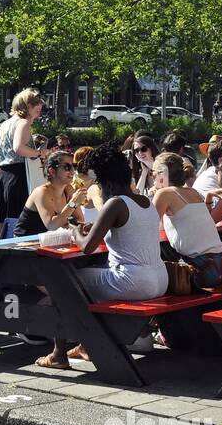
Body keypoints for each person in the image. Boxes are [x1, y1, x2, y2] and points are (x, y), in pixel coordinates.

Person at [34, 142, 168, 370]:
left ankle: (59, 354)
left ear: (105, 181)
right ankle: (87, 345)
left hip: (132, 281)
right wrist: (95, 227)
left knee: (60, 282)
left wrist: (75, 231)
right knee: (89, 280)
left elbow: (86, 247)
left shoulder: (115, 203)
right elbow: (127, 230)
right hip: (159, 280)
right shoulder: (145, 202)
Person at [0, 88, 48, 238]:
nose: (40, 109)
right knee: (18, 229)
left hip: (3, 180)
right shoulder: (23, 122)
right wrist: (39, 153)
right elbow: (18, 148)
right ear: (28, 106)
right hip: (20, 180)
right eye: (37, 106)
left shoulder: (1, 127)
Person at [152, 153, 222, 287]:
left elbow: (148, 226)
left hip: (200, 271)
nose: (153, 179)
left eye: (153, 175)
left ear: (162, 175)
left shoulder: (164, 194)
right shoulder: (193, 192)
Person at [16, 151, 83, 236]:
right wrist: (73, 203)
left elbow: (80, 220)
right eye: (67, 167)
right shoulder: (41, 192)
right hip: (25, 241)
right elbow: (51, 225)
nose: (73, 171)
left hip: (50, 239)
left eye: (74, 166)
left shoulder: (69, 189)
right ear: (52, 171)